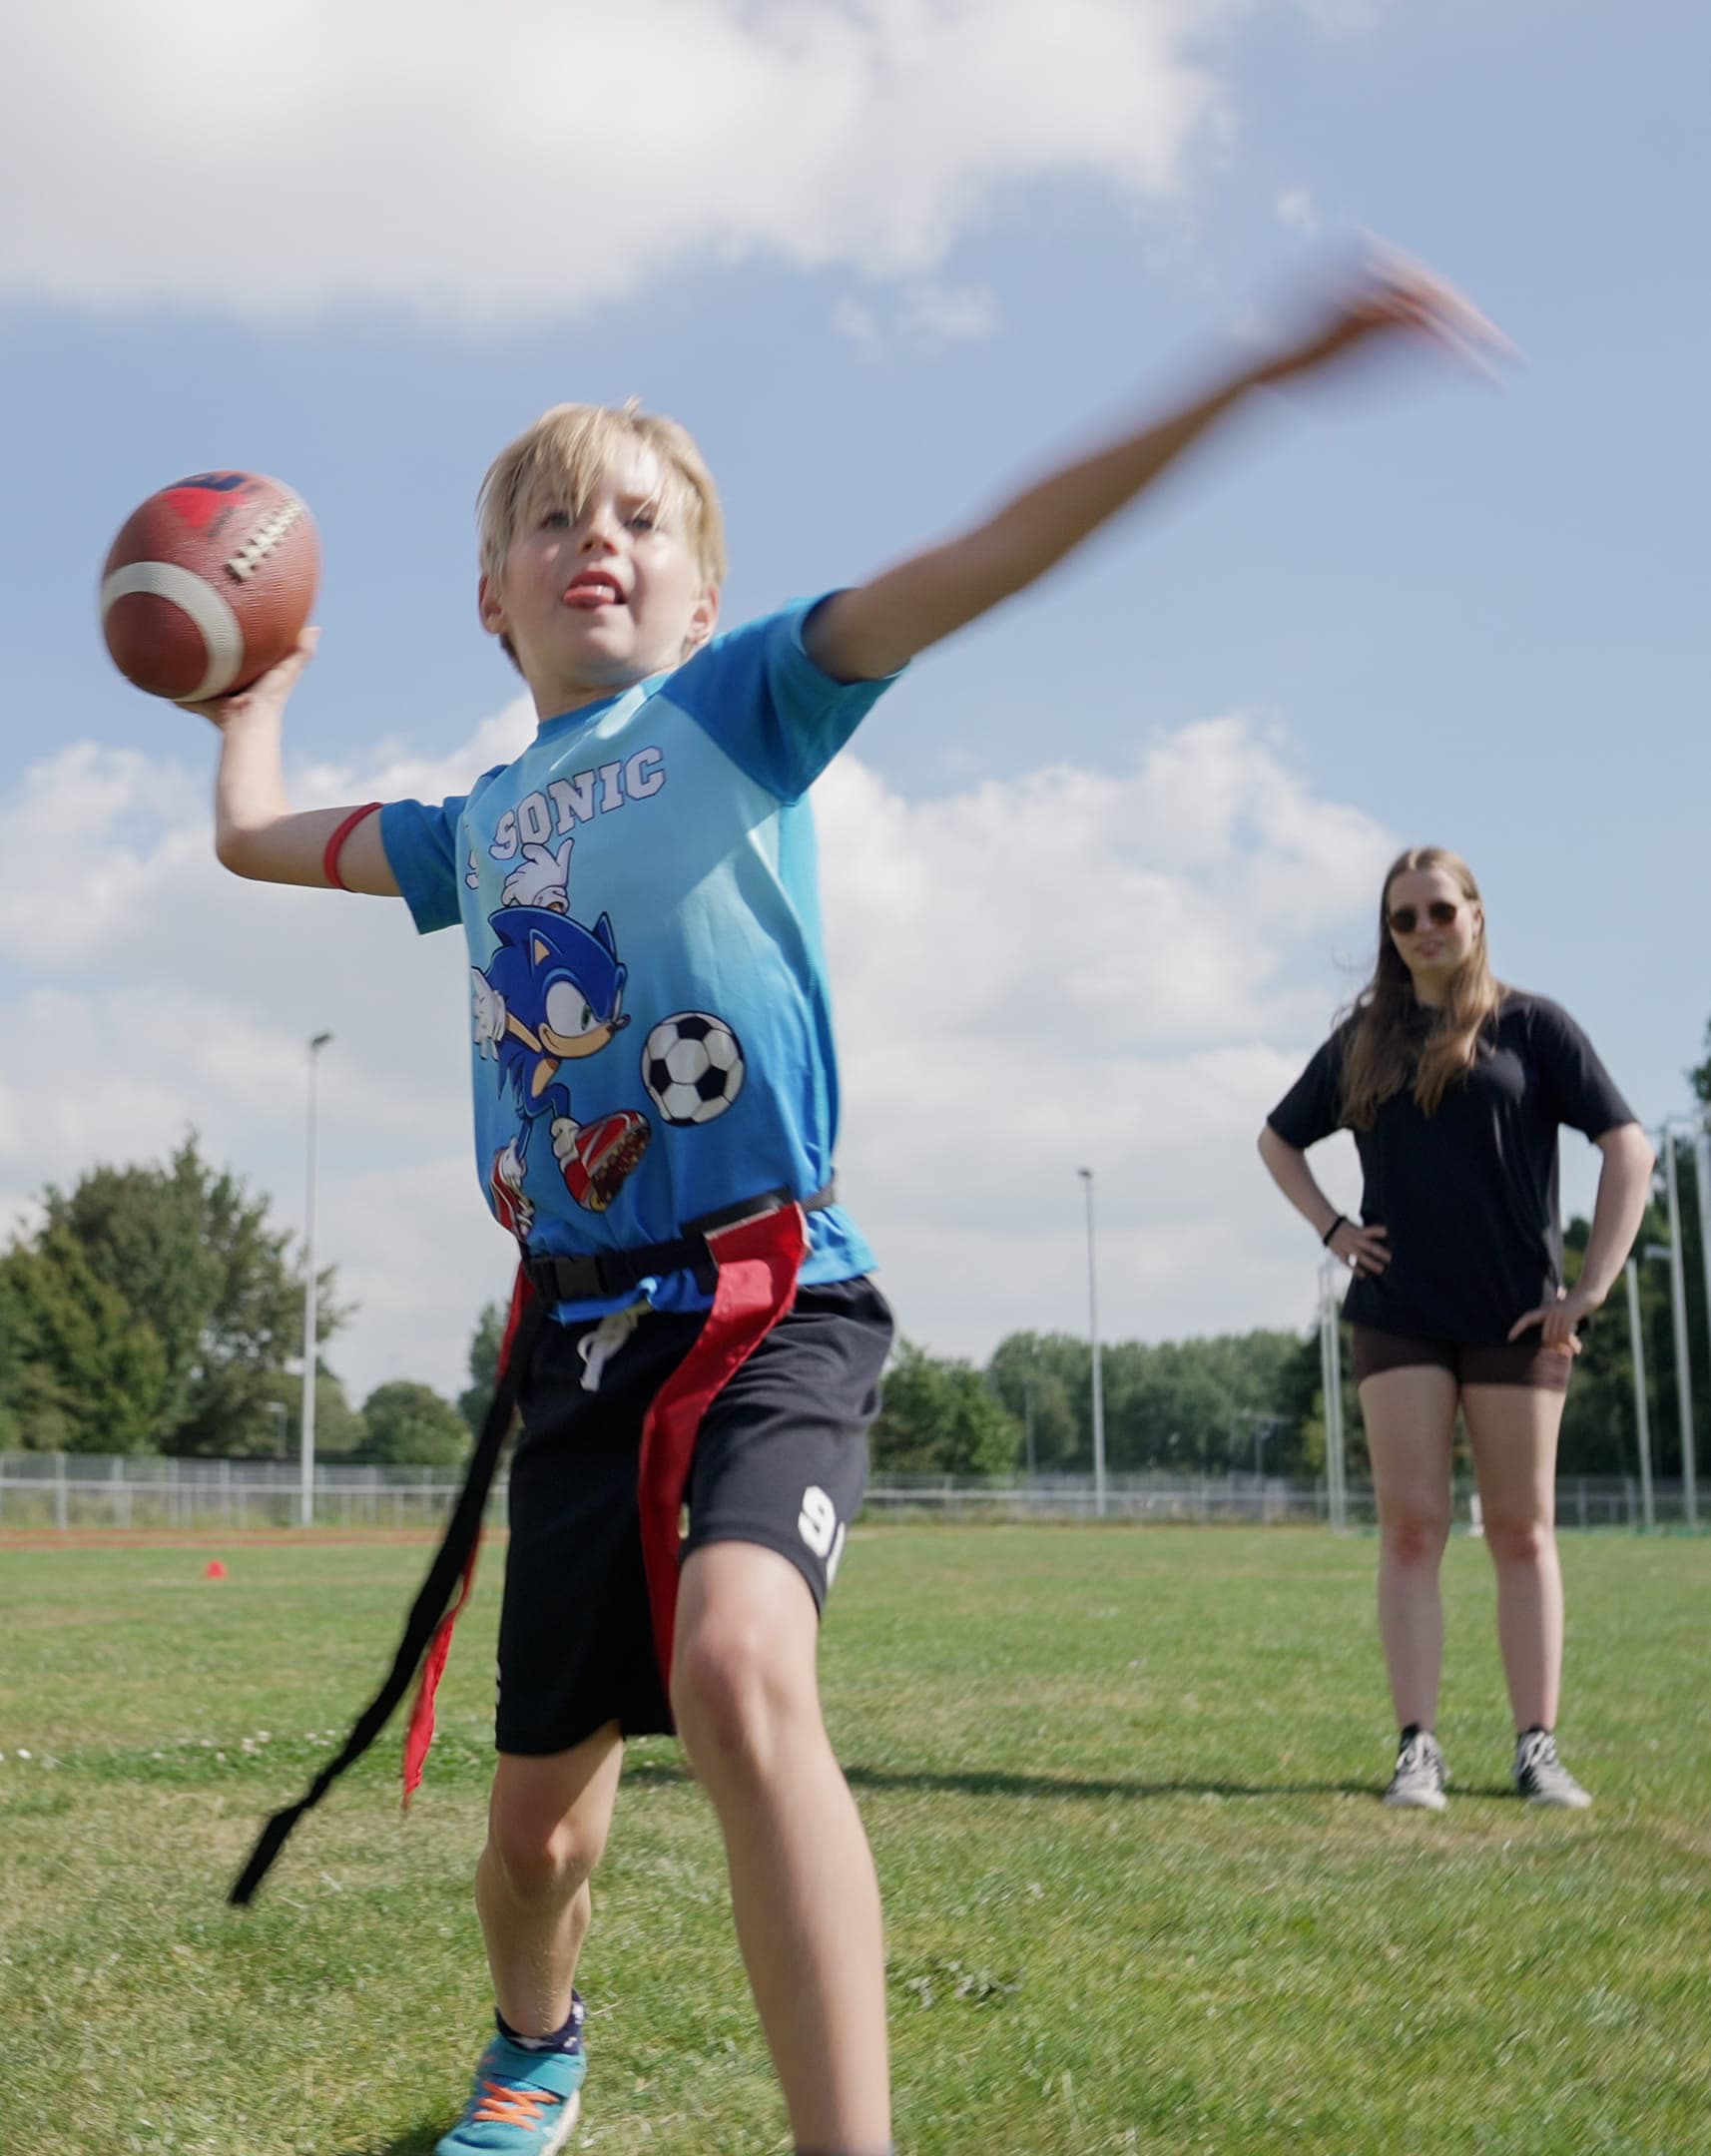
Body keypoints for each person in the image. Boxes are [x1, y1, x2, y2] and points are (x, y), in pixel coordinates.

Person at [201, 258, 1503, 2156]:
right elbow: (253, 838)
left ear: (700, 589)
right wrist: (255, 685)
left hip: (772, 1298)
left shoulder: (748, 697)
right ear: (489, 598)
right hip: (571, 1344)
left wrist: (1252, 376)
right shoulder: (471, 832)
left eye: (639, 518)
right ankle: (537, 2039)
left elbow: (998, 547)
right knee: (529, 1842)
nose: (595, 540)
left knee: (739, 1667)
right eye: (550, 518)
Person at [1259, 845, 1653, 1813]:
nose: (1424, 930)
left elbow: (1626, 1146)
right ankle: (1417, 1750)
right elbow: (1277, 1137)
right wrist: (1333, 1229)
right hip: (1399, 1316)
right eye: (1403, 919)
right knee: (1412, 1528)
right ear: (1389, 938)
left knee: (1521, 1532)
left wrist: (1589, 1287)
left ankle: (1535, 1749)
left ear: (1475, 916)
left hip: (1518, 1315)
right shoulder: (1365, 1040)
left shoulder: (1535, 1027)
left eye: (1439, 910)